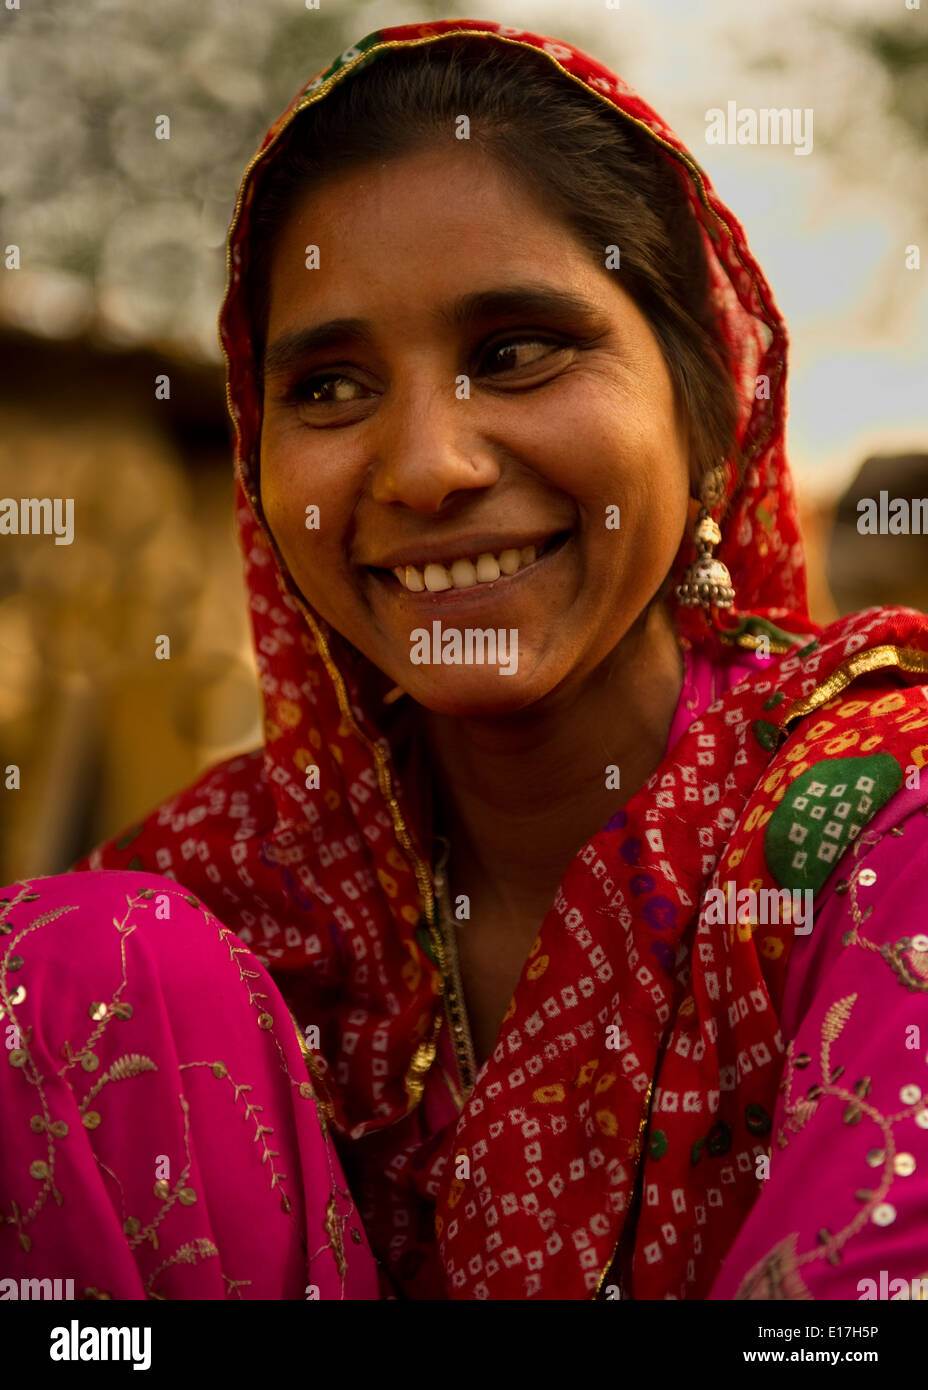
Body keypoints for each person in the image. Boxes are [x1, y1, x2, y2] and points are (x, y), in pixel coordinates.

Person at [3, 17, 928, 1302]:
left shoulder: (877, 815)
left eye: (515, 352)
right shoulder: (222, 895)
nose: (430, 464)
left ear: (706, 403)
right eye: (328, 387)